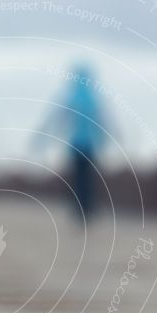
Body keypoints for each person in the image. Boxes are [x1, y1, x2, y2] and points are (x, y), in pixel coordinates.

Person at [37, 63, 106, 222]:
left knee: (78, 179)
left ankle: (79, 211)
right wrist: (103, 140)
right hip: (89, 147)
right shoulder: (93, 100)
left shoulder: (72, 98)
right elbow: (102, 123)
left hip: (76, 146)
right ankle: (86, 211)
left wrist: (43, 137)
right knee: (87, 179)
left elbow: (58, 119)